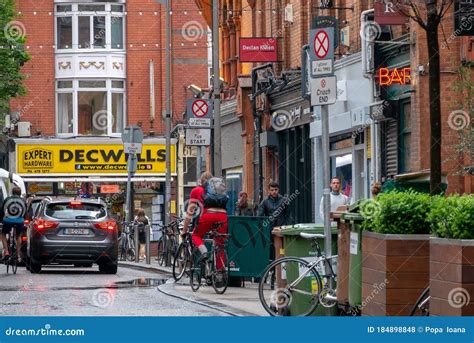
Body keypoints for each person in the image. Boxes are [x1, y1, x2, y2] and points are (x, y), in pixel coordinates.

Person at [257, 181, 290, 263]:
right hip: (269, 230)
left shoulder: (284, 200)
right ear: (269, 191)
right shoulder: (265, 202)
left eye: (275, 189)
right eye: (272, 190)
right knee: (271, 251)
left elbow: (288, 215)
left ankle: (281, 268)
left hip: (281, 230)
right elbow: (260, 216)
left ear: (278, 190)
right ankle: (272, 270)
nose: (274, 192)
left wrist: (285, 226)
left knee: (282, 249)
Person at [181, 171, 213, 237]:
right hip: (218, 220)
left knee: (196, 238)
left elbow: (190, 213)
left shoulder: (196, 190)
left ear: (201, 180)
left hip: (203, 220)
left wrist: (184, 230)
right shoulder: (215, 191)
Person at [1, 186, 26, 261]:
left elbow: (2, 209)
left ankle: (6, 251)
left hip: (8, 220)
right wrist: (22, 218)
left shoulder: (8, 199)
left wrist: (2, 219)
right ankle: (18, 254)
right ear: (20, 193)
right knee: (18, 236)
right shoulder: (23, 200)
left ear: (12, 192)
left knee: (3, 234)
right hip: (19, 221)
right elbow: (25, 211)